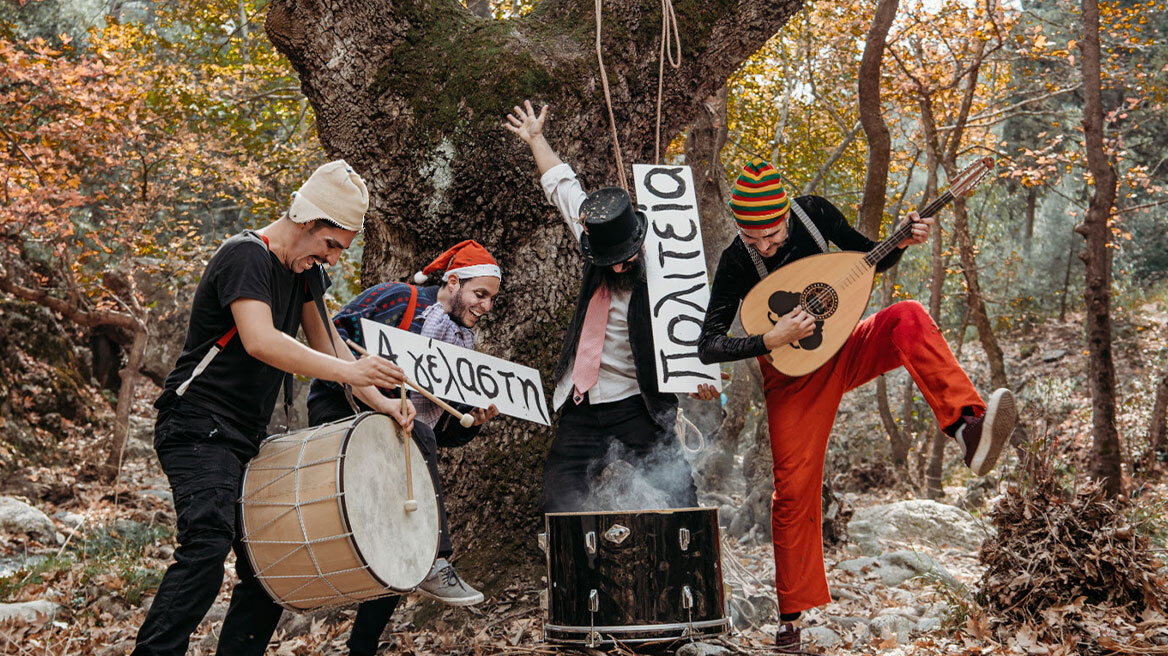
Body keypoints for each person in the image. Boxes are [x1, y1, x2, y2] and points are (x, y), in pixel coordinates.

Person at [697, 158, 1017, 652]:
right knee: (793, 491)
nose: (763, 245)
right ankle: (791, 622)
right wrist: (769, 337)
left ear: (786, 212)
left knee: (907, 316)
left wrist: (902, 241)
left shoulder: (813, 215)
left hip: (844, 346)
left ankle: (968, 428)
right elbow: (709, 344)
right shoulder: (738, 261)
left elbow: (867, 259)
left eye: (771, 234)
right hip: (791, 379)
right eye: (751, 236)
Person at [132, 160, 417, 656]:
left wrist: (384, 403)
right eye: (331, 245)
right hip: (196, 422)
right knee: (206, 543)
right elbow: (261, 340)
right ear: (309, 220)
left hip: (249, 435)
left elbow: (331, 347)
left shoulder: (305, 276)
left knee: (272, 566)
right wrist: (352, 373)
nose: (331, 259)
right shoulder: (246, 256)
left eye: (341, 251)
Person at [506, 100, 720, 514]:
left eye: (624, 258)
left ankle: (692, 568)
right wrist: (536, 139)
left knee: (679, 494)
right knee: (558, 494)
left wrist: (701, 377)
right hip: (582, 403)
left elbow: (691, 324)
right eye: (608, 261)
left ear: (639, 244)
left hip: (637, 403)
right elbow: (562, 187)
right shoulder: (597, 237)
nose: (617, 266)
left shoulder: (666, 268)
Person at [303, 240, 502, 656]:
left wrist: (473, 423)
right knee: (416, 525)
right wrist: (370, 378)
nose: (485, 306)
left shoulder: (461, 348)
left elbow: (443, 431)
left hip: (404, 436)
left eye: (490, 299)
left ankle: (363, 646)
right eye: (479, 294)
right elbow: (328, 337)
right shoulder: (397, 298)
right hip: (342, 408)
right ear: (453, 282)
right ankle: (434, 557)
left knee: (399, 542)